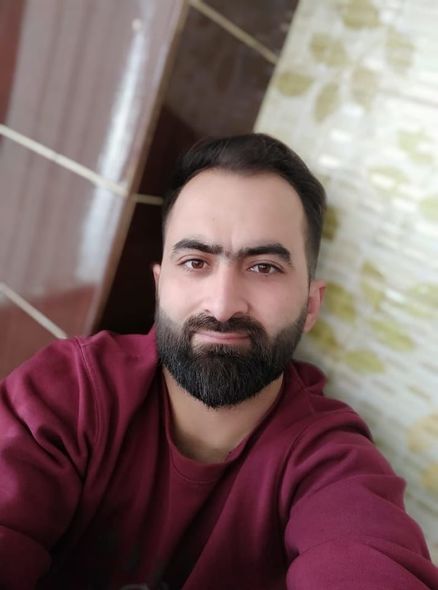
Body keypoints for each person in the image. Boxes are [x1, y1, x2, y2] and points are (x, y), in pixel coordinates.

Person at [0, 134, 437, 590]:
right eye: (195, 262)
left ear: (311, 305)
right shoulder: (69, 393)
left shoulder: (333, 464)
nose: (224, 305)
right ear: (160, 286)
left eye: (264, 267)